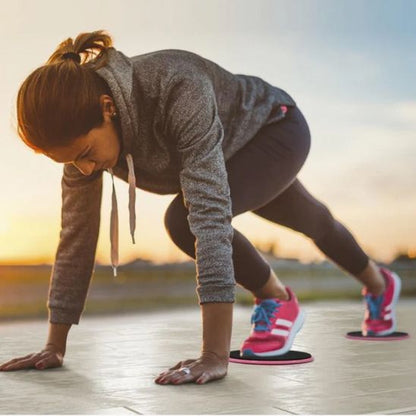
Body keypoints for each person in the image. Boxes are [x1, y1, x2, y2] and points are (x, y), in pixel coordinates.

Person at [0, 30, 401, 384]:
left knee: (185, 219)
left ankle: (277, 299)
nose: (84, 168)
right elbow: (76, 239)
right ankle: (381, 284)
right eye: (71, 161)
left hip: (274, 130)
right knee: (314, 219)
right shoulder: (80, 151)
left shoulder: (175, 85)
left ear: (108, 107)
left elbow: (208, 216)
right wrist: (55, 345)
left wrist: (214, 355)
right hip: (225, 153)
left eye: (87, 153)